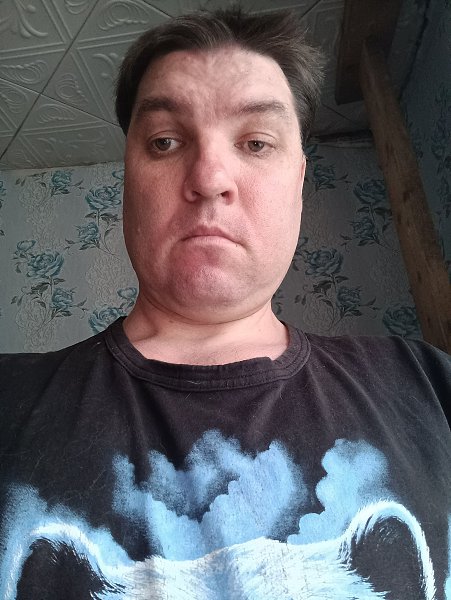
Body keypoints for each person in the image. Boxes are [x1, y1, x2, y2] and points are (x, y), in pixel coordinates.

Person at [0, 7, 450, 600]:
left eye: (256, 142)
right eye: (165, 141)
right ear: (129, 178)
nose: (209, 177)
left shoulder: (431, 386)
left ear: (299, 181)